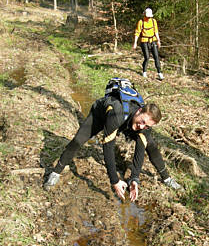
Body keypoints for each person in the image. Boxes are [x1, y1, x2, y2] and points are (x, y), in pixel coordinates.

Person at [44, 80, 181, 202]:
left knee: (151, 145)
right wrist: (114, 180)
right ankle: (55, 172)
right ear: (139, 111)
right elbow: (108, 146)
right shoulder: (118, 113)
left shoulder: (145, 125)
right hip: (101, 116)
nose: (142, 127)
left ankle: (167, 178)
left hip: (127, 122)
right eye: (142, 122)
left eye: (147, 126)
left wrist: (134, 178)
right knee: (78, 141)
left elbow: (140, 151)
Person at [133, 8, 164, 80]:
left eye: (149, 16)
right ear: (144, 15)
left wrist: (158, 41)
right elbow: (137, 33)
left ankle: (159, 73)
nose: (148, 18)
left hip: (153, 41)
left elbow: (156, 31)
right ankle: (144, 71)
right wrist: (135, 43)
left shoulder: (153, 21)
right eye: (147, 16)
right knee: (147, 57)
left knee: (156, 57)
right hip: (144, 41)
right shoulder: (141, 22)